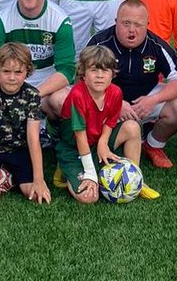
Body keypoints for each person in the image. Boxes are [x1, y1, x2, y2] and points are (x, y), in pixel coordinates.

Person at [87, 0, 177, 169]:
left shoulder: (156, 45)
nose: (132, 30)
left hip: (144, 102)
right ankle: (93, 144)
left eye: (138, 25)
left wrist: (153, 100)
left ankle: (153, 145)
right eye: (126, 23)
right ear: (116, 22)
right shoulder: (100, 42)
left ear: (147, 25)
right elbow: (83, 81)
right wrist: (115, 103)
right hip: (106, 102)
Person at [50, 46, 161, 202]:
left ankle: (134, 178)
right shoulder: (77, 94)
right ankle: (67, 169)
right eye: (94, 70)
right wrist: (89, 173)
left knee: (132, 127)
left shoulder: (115, 92)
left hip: (97, 140)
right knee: (89, 198)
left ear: (112, 74)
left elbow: (110, 121)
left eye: (105, 71)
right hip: (74, 148)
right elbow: (79, 135)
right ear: (83, 73)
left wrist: (103, 143)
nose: (100, 76)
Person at [0, 43, 51, 207]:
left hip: (18, 150)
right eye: (6, 71)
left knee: (34, 195)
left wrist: (39, 180)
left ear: (27, 71)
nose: (12, 77)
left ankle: (8, 177)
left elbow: (33, 138)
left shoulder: (32, 95)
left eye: (18, 72)